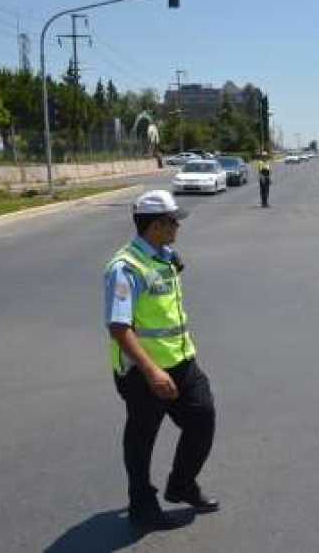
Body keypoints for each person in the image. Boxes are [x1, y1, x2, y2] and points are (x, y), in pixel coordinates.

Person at [104, 190, 219, 529]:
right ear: (155, 226)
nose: (177, 227)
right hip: (143, 373)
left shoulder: (163, 255)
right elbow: (119, 328)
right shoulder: (125, 269)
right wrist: (152, 371)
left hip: (181, 362)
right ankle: (142, 506)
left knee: (203, 419)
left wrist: (173, 257)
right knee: (142, 437)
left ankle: (182, 484)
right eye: (172, 222)